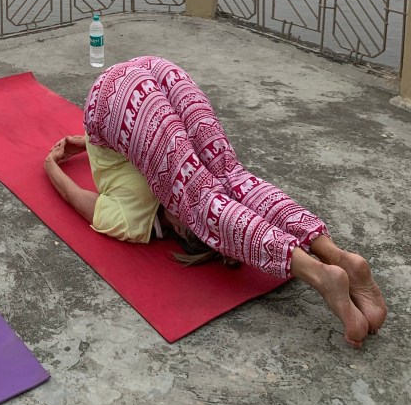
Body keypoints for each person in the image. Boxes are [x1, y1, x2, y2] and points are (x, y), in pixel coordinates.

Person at [44, 56, 387, 348]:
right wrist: (87, 144)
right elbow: (148, 138)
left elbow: (80, 199)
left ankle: (323, 267)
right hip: (151, 76)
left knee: (207, 196)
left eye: (189, 226)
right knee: (232, 177)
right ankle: (333, 256)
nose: (185, 220)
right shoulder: (170, 181)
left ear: (180, 230)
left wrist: (52, 167)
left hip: (118, 99)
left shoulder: (138, 221)